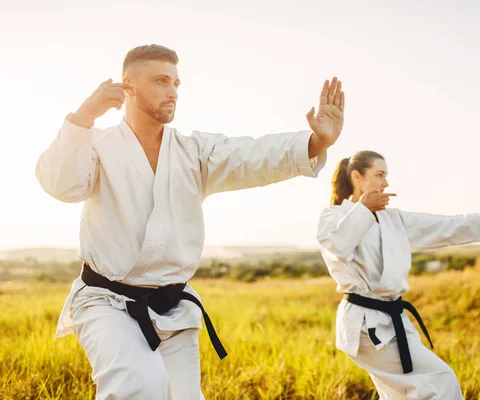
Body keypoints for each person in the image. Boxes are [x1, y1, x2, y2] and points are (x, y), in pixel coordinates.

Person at [36, 44, 344, 400]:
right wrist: (85, 114)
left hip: (173, 307)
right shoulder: (97, 145)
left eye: (177, 83)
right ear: (128, 86)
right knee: (138, 385)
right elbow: (61, 184)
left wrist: (316, 141)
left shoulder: (193, 152)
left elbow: (252, 155)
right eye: (162, 81)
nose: (173, 92)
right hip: (107, 301)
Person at [316, 151, 480, 399]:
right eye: (379, 175)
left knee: (400, 395)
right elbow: (339, 247)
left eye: (386, 176)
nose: (385, 183)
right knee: (440, 380)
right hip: (365, 326)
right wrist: (362, 209)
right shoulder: (333, 217)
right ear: (357, 176)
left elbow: (447, 226)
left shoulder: (393, 219)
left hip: (393, 320)